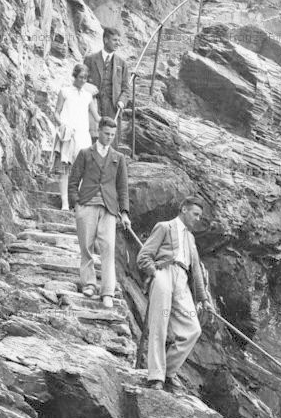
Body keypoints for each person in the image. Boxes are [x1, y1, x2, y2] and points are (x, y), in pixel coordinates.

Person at [137, 196, 214, 393]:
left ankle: (167, 371)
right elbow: (144, 256)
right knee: (159, 325)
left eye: (200, 215)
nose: (197, 218)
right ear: (184, 210)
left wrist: (204, 299)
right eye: (195, 214)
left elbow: (195, 270)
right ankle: (155, 376)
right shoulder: (164, 227)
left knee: (192, 329)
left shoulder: (191, 238)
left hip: (182, 280)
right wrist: (155, 273)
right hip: (163, 273)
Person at [68, 116, 131, 308]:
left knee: (108, 249)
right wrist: (76, 204)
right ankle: (89, 284)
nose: (109, 137)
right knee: (86, 247)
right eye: (106, 134)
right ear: (98, 131)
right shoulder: (85, 153)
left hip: (109, 208)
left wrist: (125, 212)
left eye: (113, 135)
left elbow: (123, 187)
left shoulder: (118, 158)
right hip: (86, 204)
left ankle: (107, 292)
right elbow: (73, 180)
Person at [51, 64, 100, 211]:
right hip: (67, 134)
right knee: (65, 169)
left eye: (85, 78)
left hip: (83, 135)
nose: (83, 81)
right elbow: (56, 112)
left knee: (82, 170)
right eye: (80, 77)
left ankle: (76, 202)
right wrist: (62, 125)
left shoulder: (87, 96)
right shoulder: (65, 92)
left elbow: (96, 116)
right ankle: (65, 203)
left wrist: (107, 123)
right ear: (74, 76)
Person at [84, 27, 130, 147]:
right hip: (94, 104)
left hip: (113, 106)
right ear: (105, 40)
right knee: (92, 137)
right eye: (115, 40)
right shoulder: (90, 59)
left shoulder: (122, 64)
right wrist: (87, 86)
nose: (118, 43)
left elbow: (126, 89)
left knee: (111, 140)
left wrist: (121, 101)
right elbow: (80, 81)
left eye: (119, 40)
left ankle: (110, 164)